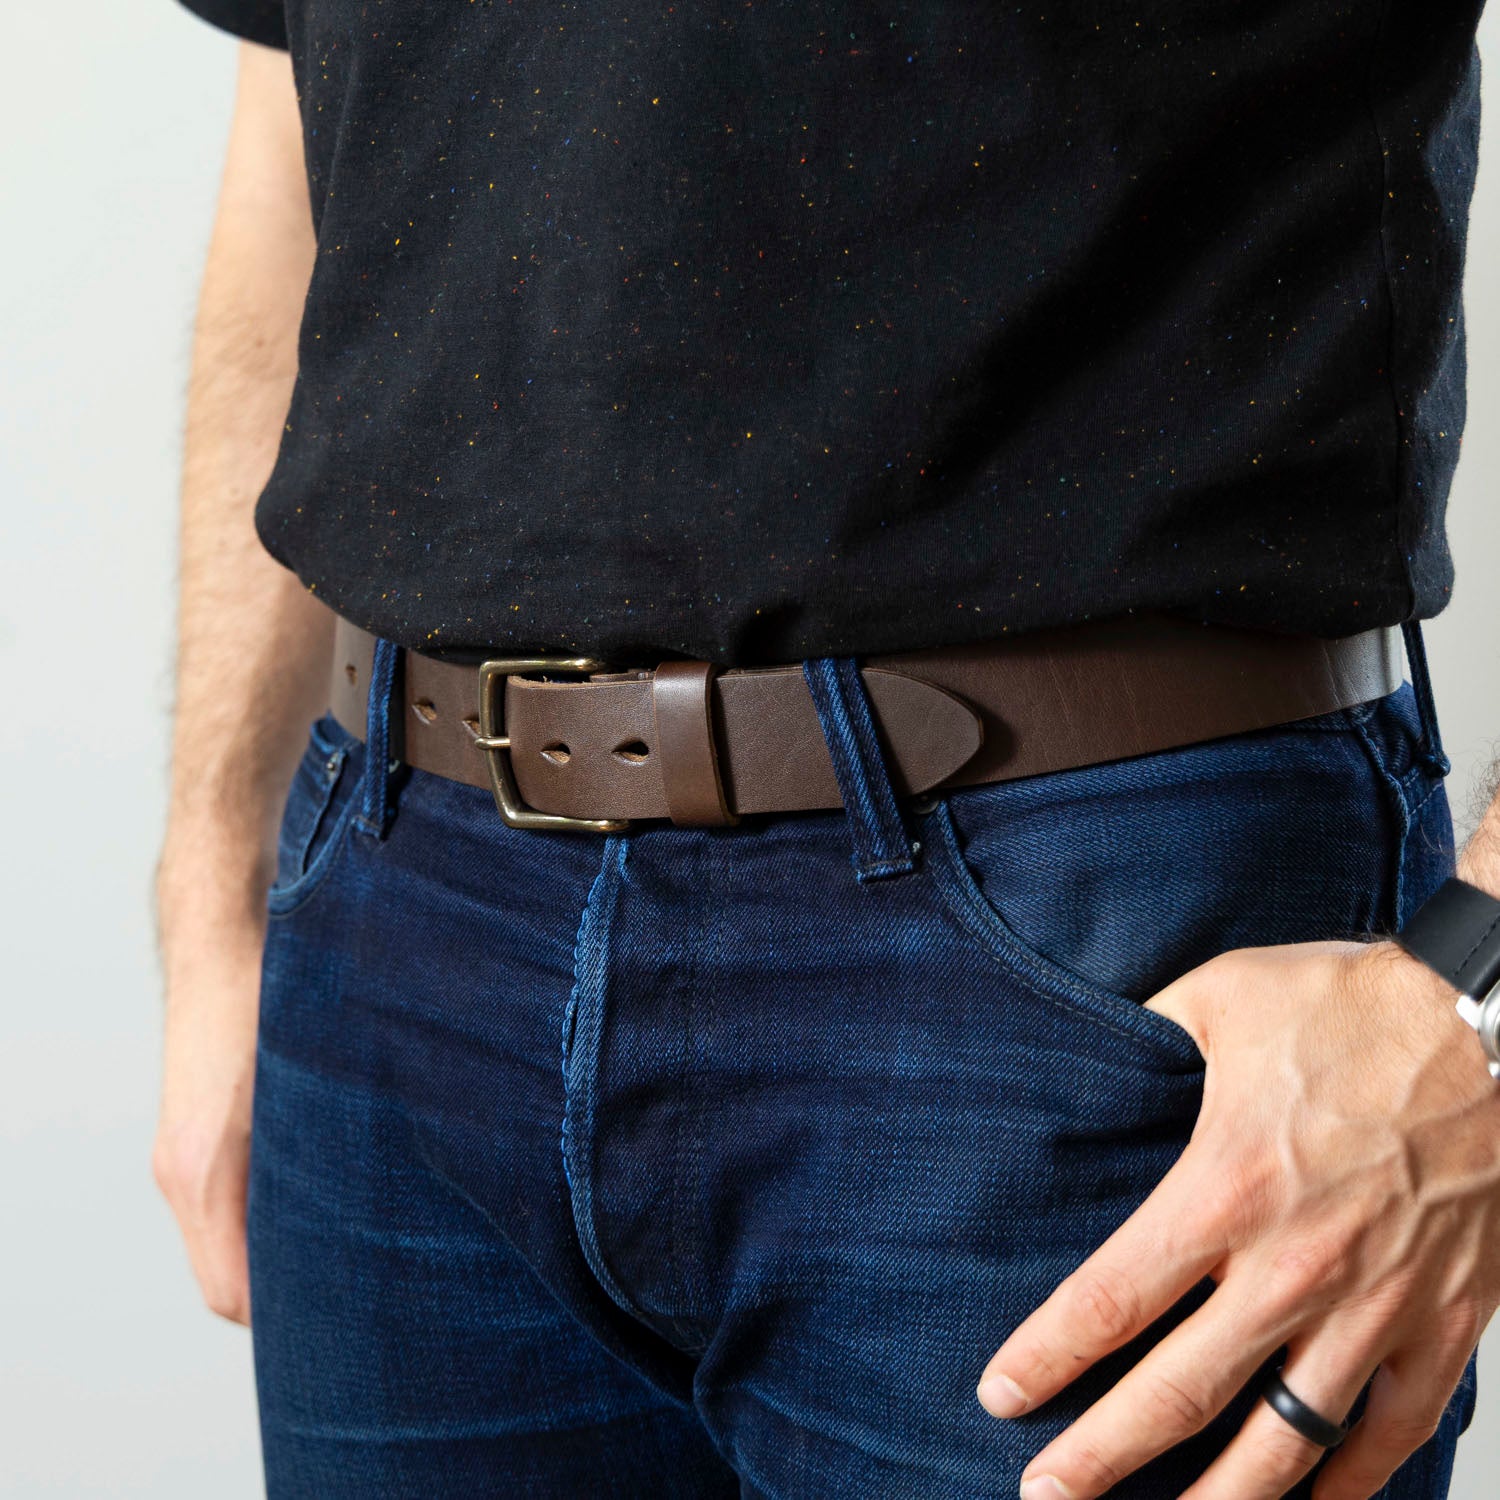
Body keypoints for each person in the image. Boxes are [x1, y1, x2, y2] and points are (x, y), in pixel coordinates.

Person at [153, 3, 1498, 1496]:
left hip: (1088, 939)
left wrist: (1482, 1004)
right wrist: (211, 887)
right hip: (408, 936)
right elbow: (301, 124)